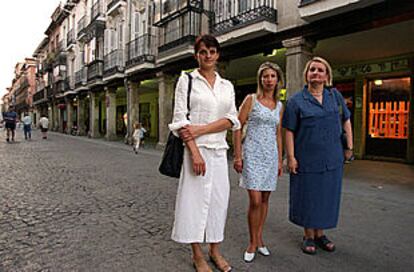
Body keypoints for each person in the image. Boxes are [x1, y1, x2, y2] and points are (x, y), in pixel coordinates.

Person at [168, 34, 240, 272]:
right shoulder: (186, 81)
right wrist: (195, 153)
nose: (207, 56)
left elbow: (232, 119)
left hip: (219, 151)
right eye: (202, 52)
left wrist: (203, 129)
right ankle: (197, 255)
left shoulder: (226, 85)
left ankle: (215, 251)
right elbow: (180, 121)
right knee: (194, 203)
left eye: (211, 51)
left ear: (218, 54)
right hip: (195, 153)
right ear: (196, 55)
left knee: (219, 203)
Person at [282, 56, 353, 255]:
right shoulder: (296, 101)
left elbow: (346, 121)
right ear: (306, 74)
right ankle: (308, 236)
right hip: (306, 158)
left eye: (320, 70)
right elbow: (289, 130)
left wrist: (349, 147)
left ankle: (321, 234)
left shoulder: (335, 97)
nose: (316, 73)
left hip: (332, 158)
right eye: (312, 69)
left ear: (327, 76)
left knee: (326, 197)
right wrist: (291, 156)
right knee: (308, 197)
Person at [233, 62, 284, 262]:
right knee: (254, 200)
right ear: (260, 79)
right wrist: (238, 155)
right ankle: (252, 242)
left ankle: (260, 239)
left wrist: (280, 160)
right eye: (265, 76)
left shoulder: (280, 106)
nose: (268, 80)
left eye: (272, 76)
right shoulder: (251, 100)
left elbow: (278, 134)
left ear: (278, 80)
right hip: (252, 155)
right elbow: (237, 126)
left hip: (270, 156)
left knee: (264, 200)